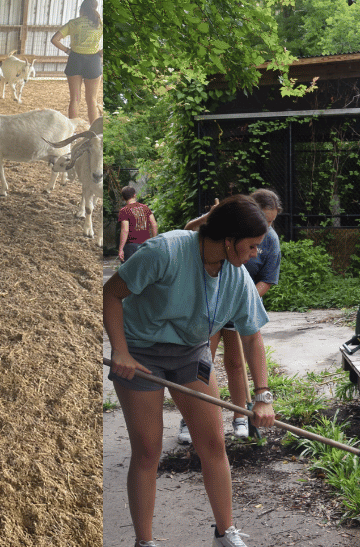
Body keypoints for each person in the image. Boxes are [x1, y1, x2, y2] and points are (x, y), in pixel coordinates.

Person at [104, 194, 277, 547]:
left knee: (212, 443)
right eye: (252, 246)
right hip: (141, 352)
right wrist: (119, 349)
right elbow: (111, 293)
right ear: (229, 240)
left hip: (191, 353)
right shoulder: (165, 252)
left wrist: (262, 396)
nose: (256, 254)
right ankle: (145, 542)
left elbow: (252, 336)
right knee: (148, 450)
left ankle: (224, 533)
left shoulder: (237, 276)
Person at [181, 190, 281, 442]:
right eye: (264, 221)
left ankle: (240, 418)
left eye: (271, 222)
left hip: (238, 308)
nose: (267, 228)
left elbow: (268, 279)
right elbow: (188, 232)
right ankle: (189, 421)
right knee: (203, 362)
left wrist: (243, 303)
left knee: (236, 364)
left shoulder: (270, 240)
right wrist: (209, 216)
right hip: (211, 304)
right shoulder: (223, 231)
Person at [50, 0, 102, 123]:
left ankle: (72, 132)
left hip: (75, 60)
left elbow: (54, 40)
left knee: (75, 99)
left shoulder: (73, 23)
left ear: (82, 9)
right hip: (93, 61)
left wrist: (67, 51)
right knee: (92, 101)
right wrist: (101, 52)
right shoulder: (99, 23)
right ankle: (94, 134)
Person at [118, 186, 158, 262]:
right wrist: (153, 240)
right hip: (146, 245)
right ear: (134, 195)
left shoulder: (124, 211)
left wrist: (121, 249)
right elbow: (154, 225)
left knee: (129, 272)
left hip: (131, 247)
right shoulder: (145, 208)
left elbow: (125, 230)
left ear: (123, 198)